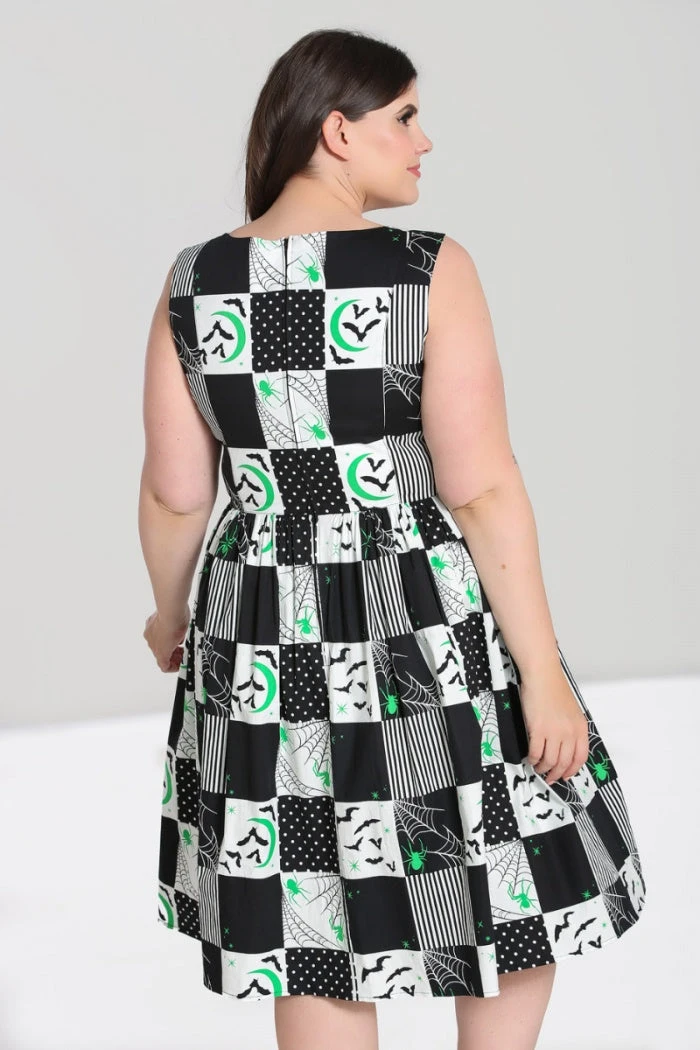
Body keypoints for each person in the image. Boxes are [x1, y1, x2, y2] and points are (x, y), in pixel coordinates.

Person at [142, 28, 646, 1050]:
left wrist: (167, 614)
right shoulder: (425, 269)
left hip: (260, 626)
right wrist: (542, 673)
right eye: (406, 117)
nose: (424, 141)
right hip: (415, 604)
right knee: (500, 853)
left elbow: (177, 493)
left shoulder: (196, 280)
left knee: (307, 899)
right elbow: (483, 488)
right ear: (338, 130)